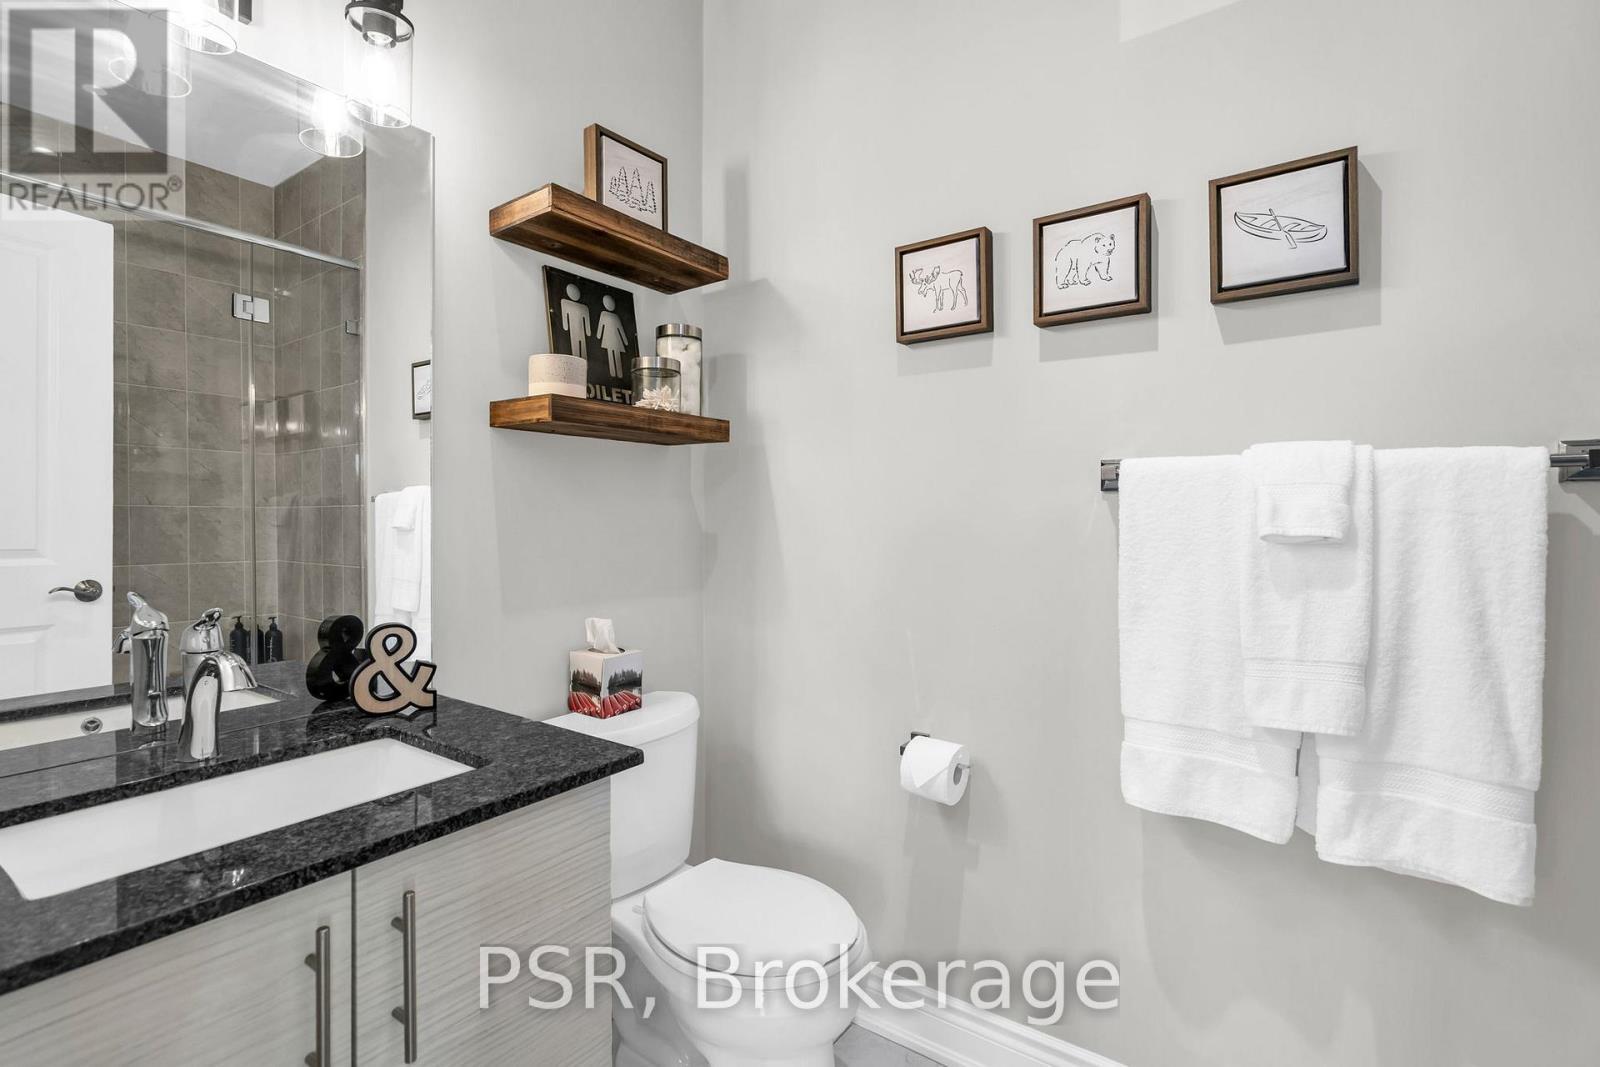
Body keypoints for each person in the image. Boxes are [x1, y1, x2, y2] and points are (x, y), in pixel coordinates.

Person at [595, 294, 630, 378]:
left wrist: (625, 341)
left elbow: (620, 329)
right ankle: (613, 373)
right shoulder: (603, 314)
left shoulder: (615, 317)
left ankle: (619, 374)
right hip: (608, 339)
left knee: (617, 356)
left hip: (616, 340)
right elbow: (600, 327)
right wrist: (599, 335)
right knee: (611, 355)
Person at [559, 283, 592, 359]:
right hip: (573, 330)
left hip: (581, 331)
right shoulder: (565, 303)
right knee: (575, 349)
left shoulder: (584, 307)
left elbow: (586, 320)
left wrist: (588, 331)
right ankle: (579, 366)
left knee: (583, 348)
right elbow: (565, 318)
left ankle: (584, 366)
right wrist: (566, 326)